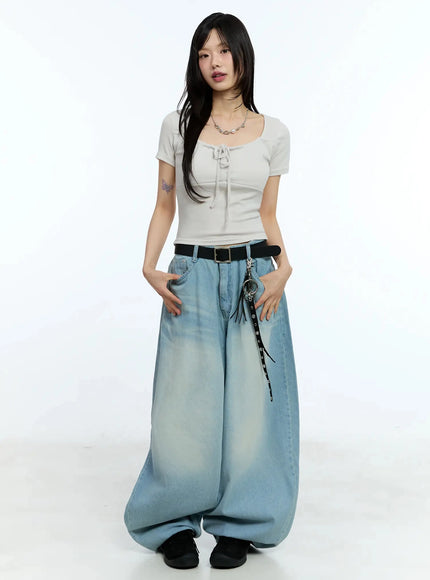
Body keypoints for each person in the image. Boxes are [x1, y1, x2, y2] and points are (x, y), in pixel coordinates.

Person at [123, 12, 300, 570]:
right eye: (203, 53)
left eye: (223, 50)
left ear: (242, 55)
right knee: (183, 408)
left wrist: (285, 267)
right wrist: (149, 266)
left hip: (254, 275)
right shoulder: (177, 127)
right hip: (192, 275)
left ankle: (240, 525)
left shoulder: (274, 132)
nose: (214, 62)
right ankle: (171, 522)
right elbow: (164, 204)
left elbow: (268, 214)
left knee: (253, 410)